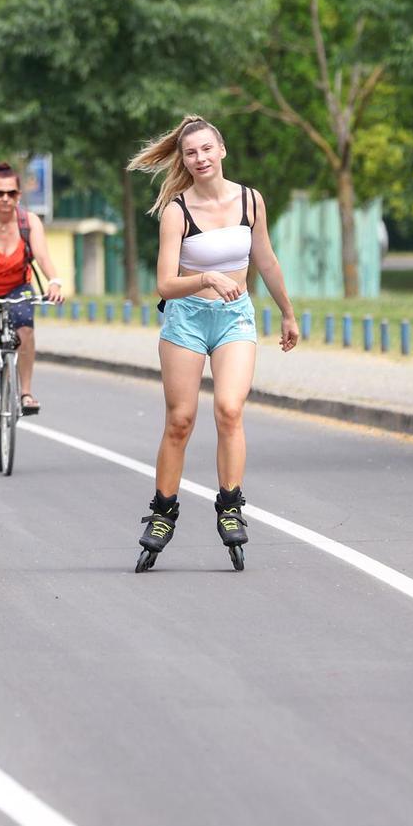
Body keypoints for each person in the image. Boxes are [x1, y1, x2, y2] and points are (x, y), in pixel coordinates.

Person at [126, 115, 299, 572]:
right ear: (183, 160)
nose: (200, 158)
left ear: (221, 150)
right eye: (190, 153)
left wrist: (287, 311)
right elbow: (165, 284)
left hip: (235, 319)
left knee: (229, 408)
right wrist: (204, 277)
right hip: (186, 320)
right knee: (180, 421)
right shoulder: (176, 212)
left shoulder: (250, 201)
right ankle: (163, 512)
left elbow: (265, 258)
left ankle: (230, 504)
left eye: (207, 149)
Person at [0, 162, 64, 445]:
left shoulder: (28, 222)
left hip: (19, 288)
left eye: (11, 193)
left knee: (25, 329)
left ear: (19, 195)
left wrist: (55, 281)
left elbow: (42, 257)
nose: (5, 198)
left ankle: (25, 393)